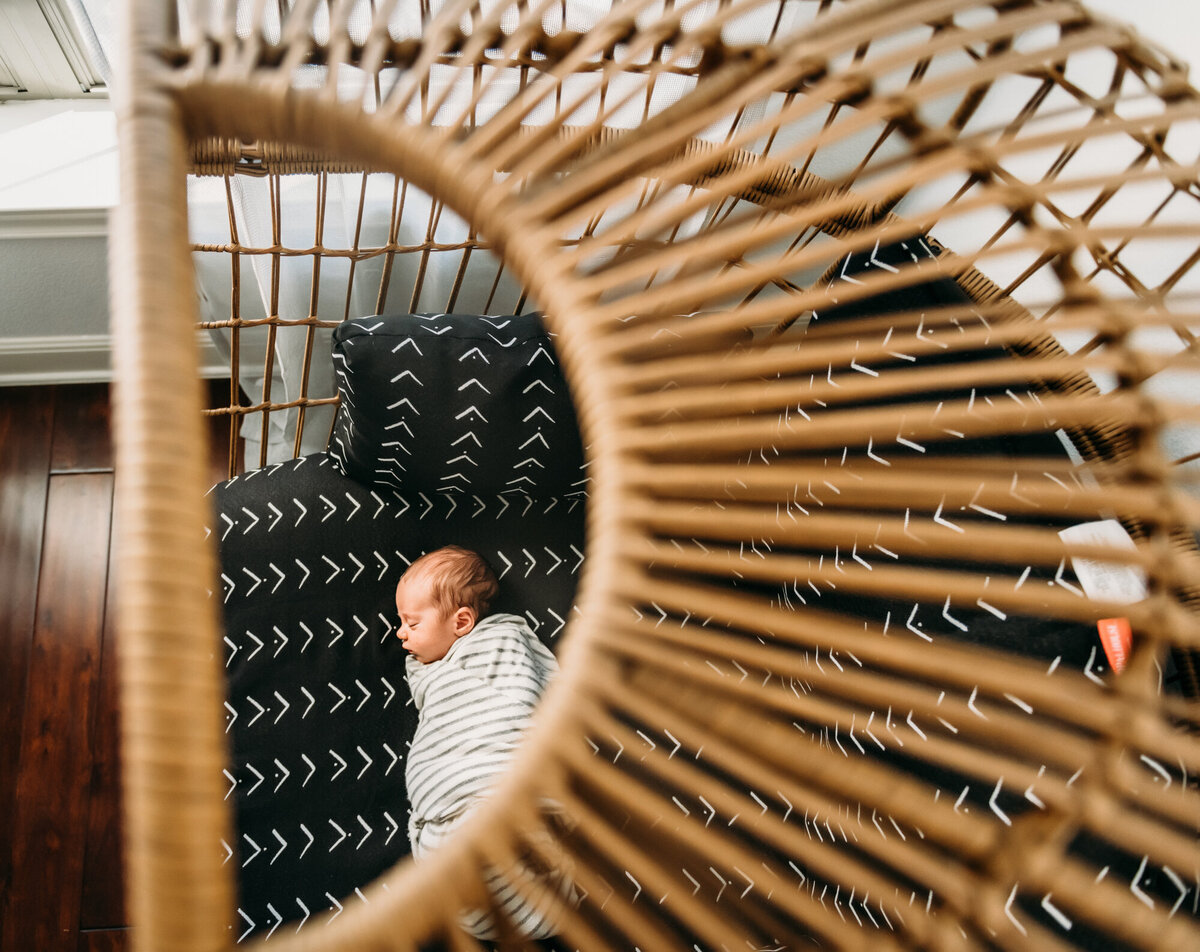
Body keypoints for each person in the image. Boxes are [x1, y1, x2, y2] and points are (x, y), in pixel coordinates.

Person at [395, 544, 566, 939]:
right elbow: (437, 714)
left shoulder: (505, 641)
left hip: (503, 780)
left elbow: (535, 688)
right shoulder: (432, 671)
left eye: (412, 623)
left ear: (462, 621)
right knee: (467, 845)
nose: (400, 633)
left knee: (510, 820)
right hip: (454, 793)